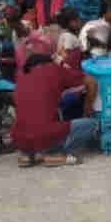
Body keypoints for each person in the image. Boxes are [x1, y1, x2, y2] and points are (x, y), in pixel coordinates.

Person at [12, 30, 98, 167]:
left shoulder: (20, 73)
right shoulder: (54, 69)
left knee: (41, 122)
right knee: (92, 124)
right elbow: (91, 81)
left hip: (19, 137)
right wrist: (88, 106)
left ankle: (27, 156)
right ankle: (55, 154)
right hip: (44, 134)